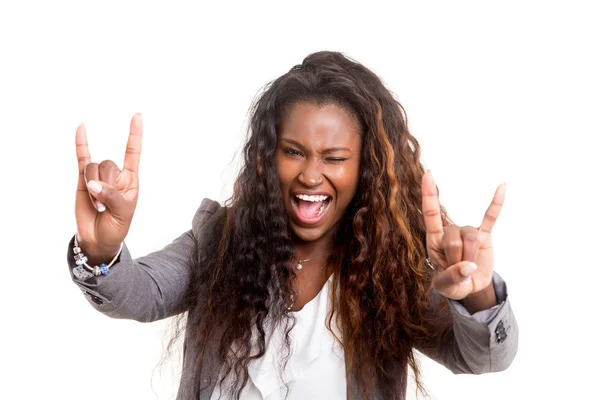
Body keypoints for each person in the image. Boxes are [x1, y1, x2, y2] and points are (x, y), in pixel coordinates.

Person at [68, 51, 518, 400]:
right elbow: (140, 294)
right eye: (293, 152)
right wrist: (100, 250)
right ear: (268, 157)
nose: (310, 175)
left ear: (366, 168)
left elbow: (484, 358)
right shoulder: (218, 240)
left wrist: (477, 292)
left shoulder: (389, 268)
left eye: (335, 158)